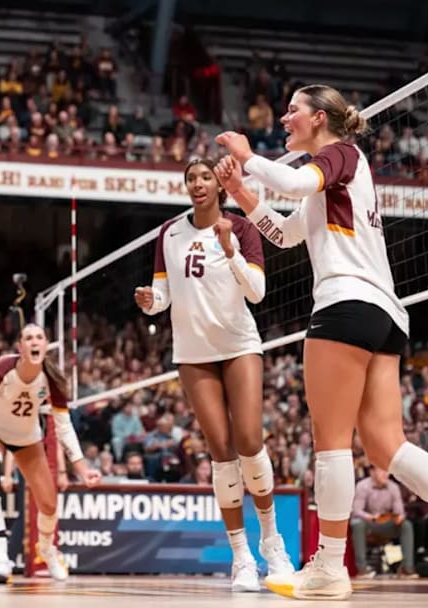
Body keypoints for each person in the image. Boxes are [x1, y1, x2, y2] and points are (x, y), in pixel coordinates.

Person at [213, 83, 428, 602]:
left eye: (293, 110)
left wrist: (249, 158)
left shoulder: (340, 154)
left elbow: (292, 180)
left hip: (345, 305)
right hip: (384, 314)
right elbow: (286, 235)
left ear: (320, 118)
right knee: (385, 444)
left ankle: (330, 567)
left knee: (331, 442)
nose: (285, 118)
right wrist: (242, 194)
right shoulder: (336, 177)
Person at [133, 156, 293, 591]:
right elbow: (163, 294)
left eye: (205, 177)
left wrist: (229, 248)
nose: (198, 183)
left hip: (239, 345)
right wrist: (151, 301)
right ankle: (241, 557)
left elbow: (257, 293)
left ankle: (272, 544)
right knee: (221, 452)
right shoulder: (169, 233)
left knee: (249, 441)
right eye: (191, 178)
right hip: (193, 353)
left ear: (220, 186)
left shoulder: (241, 228)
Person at [0, 324, 101, 583]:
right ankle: (0, 559)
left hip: (26, 439)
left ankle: (46, 550)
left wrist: (82, 469)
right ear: (20, 347)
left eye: (39, 337)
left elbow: (64, 427)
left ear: (45, 345)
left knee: (49, 505)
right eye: (29, 338)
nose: (34, 342)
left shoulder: (52, 380)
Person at [350, 465, 416, 578]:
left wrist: (399, 517)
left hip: (386, 523)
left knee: (406, 525)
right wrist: (370, 517)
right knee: (357, 523)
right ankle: (362, 569)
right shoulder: (362, 486)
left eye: (387, 471)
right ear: (372, 472)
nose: (386, 474)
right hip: (369, 523)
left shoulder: (393, 487)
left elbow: (399, 511)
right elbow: (357, 510)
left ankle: (407, 568)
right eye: (382, 470)